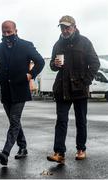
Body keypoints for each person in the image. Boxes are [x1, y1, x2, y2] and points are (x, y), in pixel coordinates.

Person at [0, 20, 45, 166]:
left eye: (9, 32)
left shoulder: (26, 46)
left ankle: (5, 152)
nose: (6, 35)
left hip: (20, 89)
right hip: (6, 91)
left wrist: (30, 75)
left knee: (14, 121)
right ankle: (23, 146)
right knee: (15, 122)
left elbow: (40, 62)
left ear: (15, 31)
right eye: (4, 32)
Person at [47, 15, 100, 164]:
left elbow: (95, 63)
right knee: (61, 121)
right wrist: (54, 65)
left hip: (79, 88)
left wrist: (85, 82)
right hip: (62, 88)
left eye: (67, 27)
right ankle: (59, 153)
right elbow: (52, 65)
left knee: (81, 121)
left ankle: (81, 149)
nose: (64, 30)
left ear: (74, 27)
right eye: (62, 27)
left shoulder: (84, 42)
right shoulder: (57, 44)